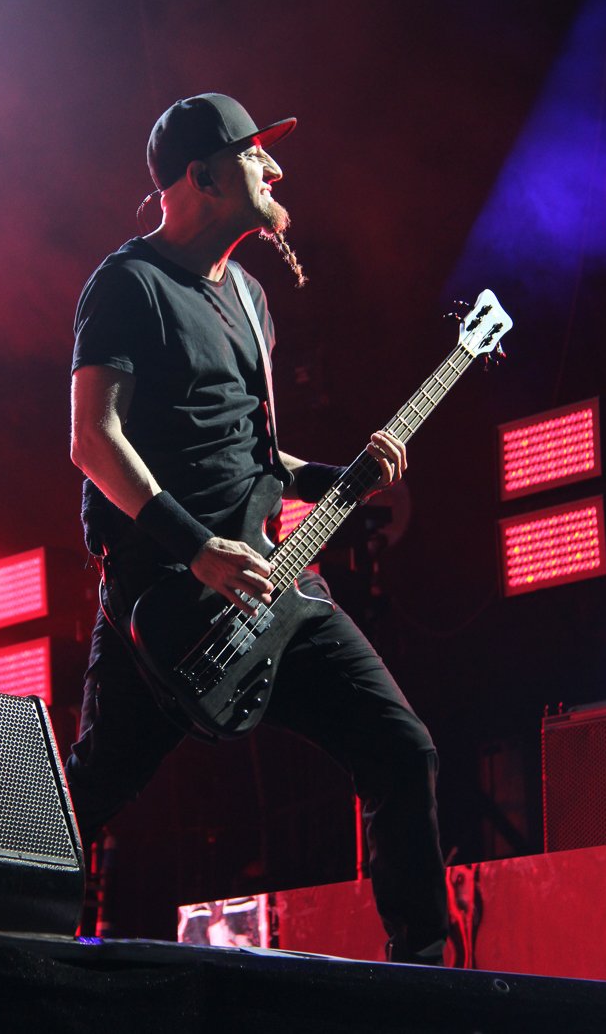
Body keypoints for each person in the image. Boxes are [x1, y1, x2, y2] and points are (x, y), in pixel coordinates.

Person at [67, 92, 448, 965]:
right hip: (165, 590)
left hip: (273, 580)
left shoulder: (248, 294)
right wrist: (195, 550)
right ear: (201, 176)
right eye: (254, 155)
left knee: (400, 750)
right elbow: (94, 439)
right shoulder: (129, 285)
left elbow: (257, 461)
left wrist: (344, 479)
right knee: (93, 789)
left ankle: (426, 979)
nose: (275, 170)